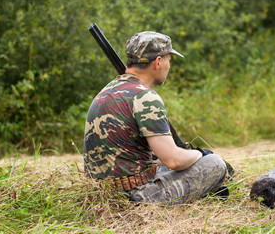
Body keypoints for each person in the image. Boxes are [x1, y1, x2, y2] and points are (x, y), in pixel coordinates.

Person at [83, 31, 227, 205]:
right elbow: (173, 160)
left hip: (103, 194)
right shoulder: (145, 97)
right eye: (169, 60)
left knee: (167, 164)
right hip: (136, 197)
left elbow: (144, 156)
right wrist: (199, 154)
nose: (169, 66)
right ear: (158, 62)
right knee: (215, 163)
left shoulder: (106, 91)